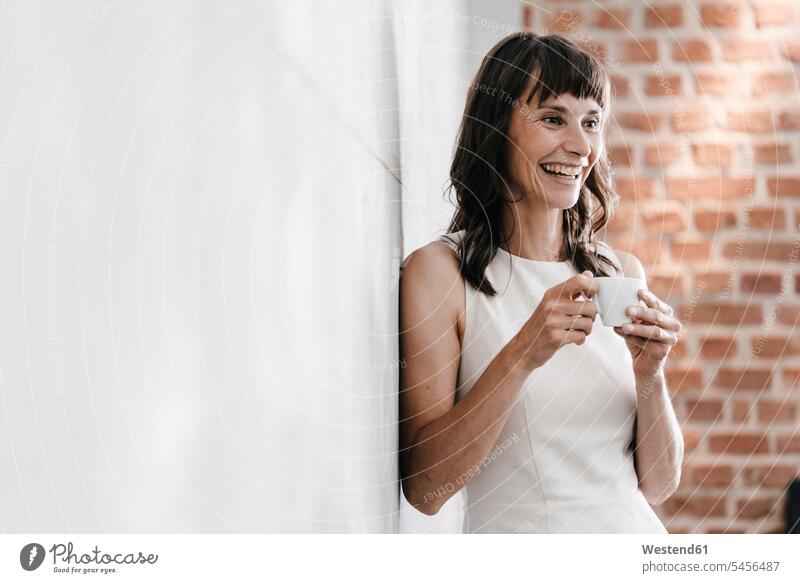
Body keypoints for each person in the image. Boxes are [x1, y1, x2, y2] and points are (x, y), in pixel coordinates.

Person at [398, 32, 683, 534]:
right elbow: (426, 489)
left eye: (591, 123)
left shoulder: (620, 273)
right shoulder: (440, 273)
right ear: (496, 128)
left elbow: (658, 485)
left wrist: (650, 374)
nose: (580, 146)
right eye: (553, 119)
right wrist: (524, 350)